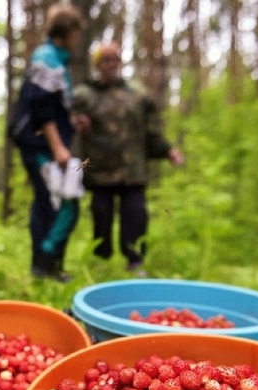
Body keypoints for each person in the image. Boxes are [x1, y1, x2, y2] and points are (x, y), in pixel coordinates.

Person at [71, 42, 184, 275]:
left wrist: (168, 150)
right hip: (99, 170)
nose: (111, 64)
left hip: (133, 170)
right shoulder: (84, 95)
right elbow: (68, 119)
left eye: (115, 59)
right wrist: (76, 124)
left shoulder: (138, 94)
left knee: (135, 216)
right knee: (101, 216)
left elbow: (151, 130)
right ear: (98, 65)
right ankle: (100, 262)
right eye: (106, 60)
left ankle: (135, 262)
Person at [15, 4, 84, 282]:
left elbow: (52, 106)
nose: (78, 39)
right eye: (76, 33)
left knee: (49, 202)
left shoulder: (56, 59)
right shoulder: (46, 57)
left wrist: (72, 124)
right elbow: (40, 106)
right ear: (68, 31)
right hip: (41, 147)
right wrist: (57, 146)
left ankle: (48, 266)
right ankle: (45, 265)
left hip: (46, 145)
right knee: (62, 204)